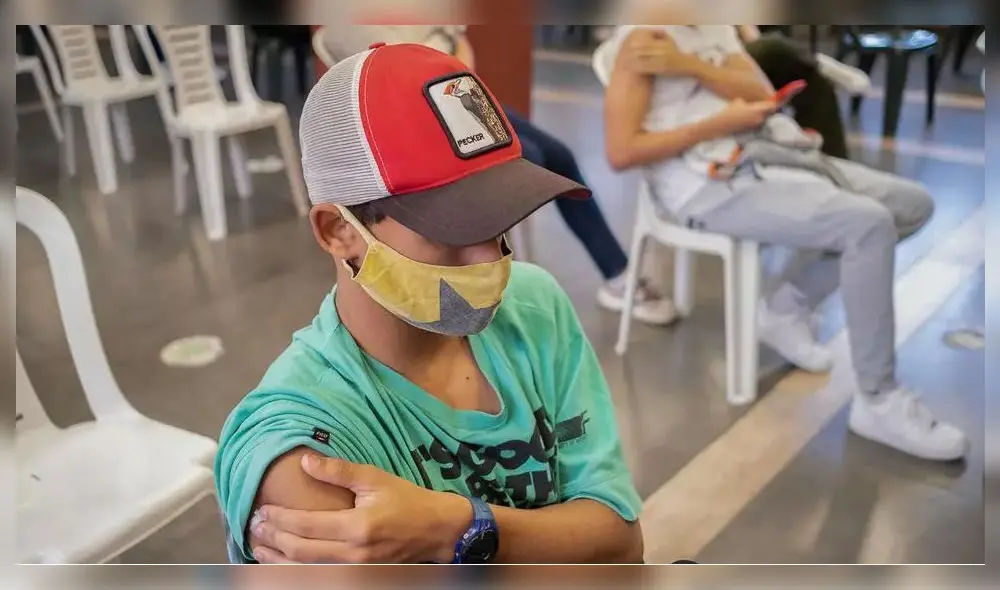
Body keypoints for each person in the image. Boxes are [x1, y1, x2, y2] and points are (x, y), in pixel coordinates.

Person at [214, 42, 644, 564]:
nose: (491, 257)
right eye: (454, 228)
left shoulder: (534, 306)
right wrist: (555, 540)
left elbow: (619, 545)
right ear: (338, 232)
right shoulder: (308, 449)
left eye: (500, 216)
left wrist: (459, 527)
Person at [605, 25, 968, 462]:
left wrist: (690, 66)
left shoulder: (709, 24)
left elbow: (759, 90)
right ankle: (879, 399)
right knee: (868, 225)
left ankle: (784, 307)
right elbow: (621, 152)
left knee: (913, 204)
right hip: (703, 184)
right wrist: (715, 124)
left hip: (762, 154)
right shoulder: (641, 39)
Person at [320, 25, 677, 326]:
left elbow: (456, 41)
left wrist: (451, 72)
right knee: (531, 156)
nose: (492, 259)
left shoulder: (546, 309)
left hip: (453, 95)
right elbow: (343, 68)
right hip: (404, 118)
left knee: (556, 156)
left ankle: (616, 272)